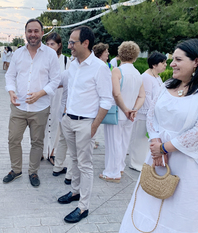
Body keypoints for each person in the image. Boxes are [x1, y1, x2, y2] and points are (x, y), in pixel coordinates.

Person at [119, 39, 198, 233]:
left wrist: (166, 147)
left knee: (182, 216)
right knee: (150, 205)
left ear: (196, 61)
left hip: (190, 165)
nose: (172, 63)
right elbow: (153, 114)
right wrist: (155, 142)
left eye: (178, 59)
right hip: (158, 158)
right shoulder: (168, 84)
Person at [57, 26, 113, 223]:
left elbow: (107, 100)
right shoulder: (72, 64)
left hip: (86, 123)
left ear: (85, 43)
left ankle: (83, 207)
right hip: (69, 120)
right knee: (73, 159)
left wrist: (94, 125)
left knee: (85, 165)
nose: (69, 45)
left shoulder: (99, 68)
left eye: (73, 42)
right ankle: (75, 192)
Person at [3, 18, 60, 187]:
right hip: (19, 106)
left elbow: (55, 80)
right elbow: (10, 76)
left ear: (42, 33)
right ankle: (16, 170)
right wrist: (11, 92)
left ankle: (33, 172)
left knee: (37, 142)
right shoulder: (18, 53)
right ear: (25, 33)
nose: (33, 34)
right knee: (13, 139)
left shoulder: (50, 54)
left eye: (36, 31)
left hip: (40, 107)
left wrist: (40, 94)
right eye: (30, 31)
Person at [100, 41, 145, 183]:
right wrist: (134, 110)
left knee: (113, 143)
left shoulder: (117, 71)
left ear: (120, 54)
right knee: (123, 142)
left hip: (118, 113)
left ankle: (112, 173)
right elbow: (142, 95)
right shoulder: (138, 73)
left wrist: (125, 109)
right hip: (131, 114)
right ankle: (119, 168)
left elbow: (116, 94)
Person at [128, 52, 166, 172]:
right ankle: (135, 163)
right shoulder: (146, 77)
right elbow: (146, 97)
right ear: (154, 65)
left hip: (153, 114)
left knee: (145, 140)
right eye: (163, 63)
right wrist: (153, 112)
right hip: (144, 113)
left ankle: (143, 161)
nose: (165, 65)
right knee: (139, 138)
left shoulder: (156, 76)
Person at [45, 32, 72, 184]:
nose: (50, 47)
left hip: (59, 95)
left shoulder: (66, 60)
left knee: (56, 123)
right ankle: (43, 151)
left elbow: (68, 80)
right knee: (42, 123)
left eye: (52, 44)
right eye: (47, 44)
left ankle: (52, 152)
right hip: (44, 95)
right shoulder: (43, 59)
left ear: (59, 45)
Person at [92, 42, 113, 149]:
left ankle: (94, 139)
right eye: (106, 52)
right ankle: (93, 139)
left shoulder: (106, 65)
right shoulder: (100, 66)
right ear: (100, 54)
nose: (108, 54)